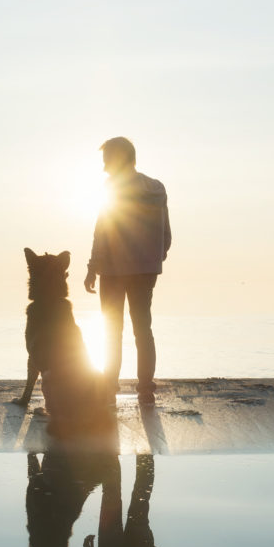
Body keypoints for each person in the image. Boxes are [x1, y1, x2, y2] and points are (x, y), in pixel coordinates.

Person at [84, 137, 171, 405]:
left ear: (120, 159)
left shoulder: (112, 188)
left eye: (107, 161)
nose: (104, 168)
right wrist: (155, 259)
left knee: (113, 329)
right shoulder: (156, 189)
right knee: (143, 328)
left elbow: (103, 230)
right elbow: (166, 233)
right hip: (145, 270)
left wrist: (92, 267)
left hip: (112, 269)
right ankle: (145, 388)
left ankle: (110, 384)